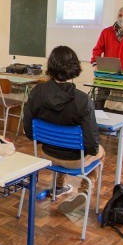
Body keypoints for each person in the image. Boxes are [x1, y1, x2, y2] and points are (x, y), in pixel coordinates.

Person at [24, 46, 103, 215]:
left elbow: (29, 132)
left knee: (69, 146)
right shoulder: (83, 100)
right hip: (75, 161)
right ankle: (84, 191)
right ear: (74, 67)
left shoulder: (36, 92)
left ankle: (59, 186)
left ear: (50, 65)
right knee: (101, 152)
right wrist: (94, 149)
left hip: (47, 156)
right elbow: (91, 144)